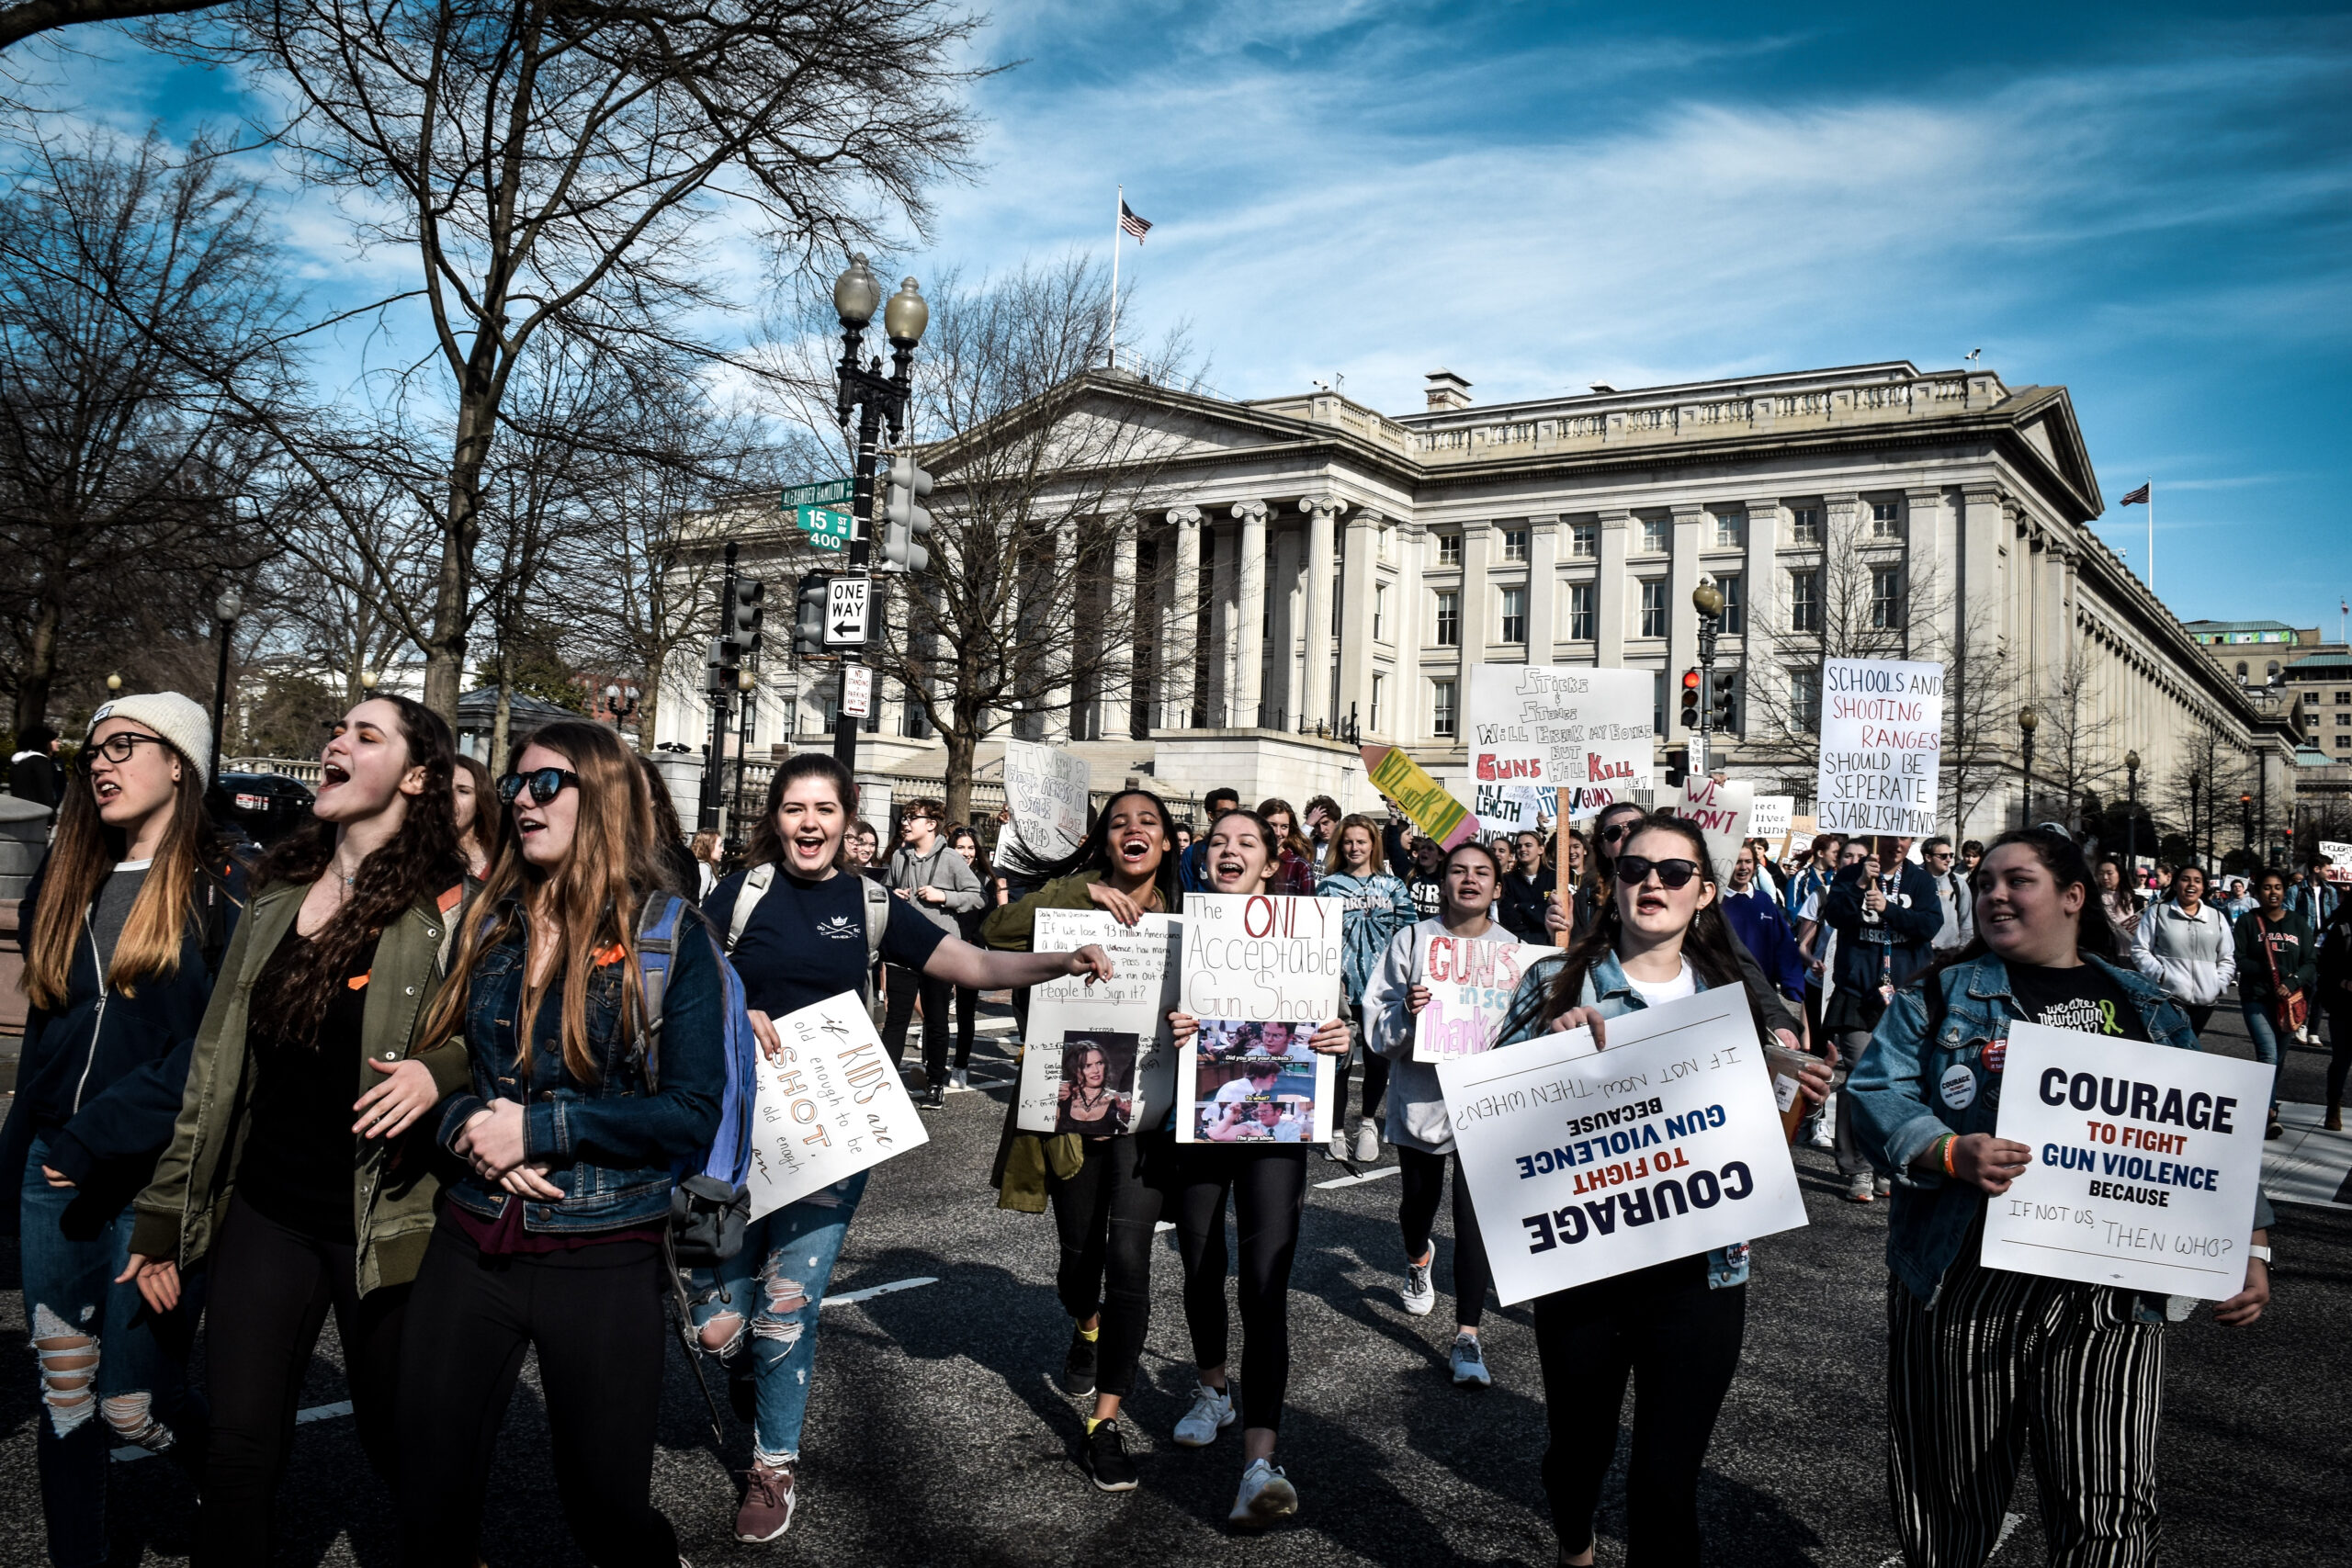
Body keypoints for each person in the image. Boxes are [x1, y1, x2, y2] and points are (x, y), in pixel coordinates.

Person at [703, 754, 1112, 1537]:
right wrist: (732, 1001)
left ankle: (772, 1468)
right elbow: (683, 965)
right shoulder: (743, 892)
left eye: (825, 808)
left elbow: (976, 962)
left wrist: (1061, 962)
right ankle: (749, 1361)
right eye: (795, 809)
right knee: (722, 1319)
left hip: (831, 1135)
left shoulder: (872, 904)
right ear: (777, 818)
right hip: (735, 1130)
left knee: (790, 1301)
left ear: (849, 817)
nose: (810, 824)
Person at [1845, 828, 2273, 1568]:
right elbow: (1876, 1090)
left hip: (2108, 1295)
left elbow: (2209, 1133)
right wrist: (1948, 1149)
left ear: (2074, 897)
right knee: (1948, 1497)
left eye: (2018, 880)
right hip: (1967, 1279)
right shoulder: (1939, 993)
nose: (1994, 894)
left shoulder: (2148, 1008)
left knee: (2108, 1507)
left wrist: (2251, 1242)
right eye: (1984, 884)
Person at [122, 695, 469, 1563]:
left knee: (400, 1445)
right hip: (266, 1212)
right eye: (336, 730)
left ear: (418, 776)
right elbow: (214, 1069)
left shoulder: (453, 908)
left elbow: (509, 1035)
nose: (335, 743)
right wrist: (168, 1213)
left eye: (365, 735)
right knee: (240, 1450)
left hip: (388, 1221)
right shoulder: (275, 895)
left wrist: (443, 1068)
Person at [390, 719, 726, 1565]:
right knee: (427, 1487)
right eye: (515, 784)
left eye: (547, 784)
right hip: (471, 1238)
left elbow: (692, 1111)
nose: (521, 800)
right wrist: (462, 1122)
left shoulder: (670, 936)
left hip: (603, 1252)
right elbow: (432, 1061)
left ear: (602, 797)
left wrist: (540, 1128)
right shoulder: (482, 919)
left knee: (605, 1507)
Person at [1490, 813, 1830, 1568]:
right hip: (1586, 1265)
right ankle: (1573, 1544)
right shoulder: (1554, 981)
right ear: (1610, 885)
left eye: (1674, 873)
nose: (1653, 882)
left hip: (1703, 1272)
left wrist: (1795, 1087)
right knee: (1577, 1455)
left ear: (1703, 892)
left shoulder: (1735, 997)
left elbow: (1769, 1133)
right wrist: (1548, 1053)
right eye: (1635, 868)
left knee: (1667, 1482)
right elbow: (1486, 1120)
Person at [4, 692, 243, 1568]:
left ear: (179, 760)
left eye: (123, 745)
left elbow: (215, 1049)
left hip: (157, 1175)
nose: (100, 762)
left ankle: (234, 1484)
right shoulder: (66, 880)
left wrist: (98, 1131)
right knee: (65, 1392)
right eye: (90, 753)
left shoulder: (226, 888)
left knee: (130, 1404)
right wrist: (20, 1161)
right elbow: (43, 1042)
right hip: (52, 1170)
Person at [981, 788, 1182, 1491]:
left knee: (1130, 1260)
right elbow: (996, 930)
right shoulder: (1070, 897)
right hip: (1077, 1098)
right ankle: (1086, 1323)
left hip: (1149, 1115)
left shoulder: (1191, 916)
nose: (1134, 829)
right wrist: (1078, 894)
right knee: (1077, 1261)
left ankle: (1103, 1423)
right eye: (1120, 821)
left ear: (1166, 843)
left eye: (1148, 822)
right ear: (1105, 841)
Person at [1163, 808, 1351, 1527]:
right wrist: (1173, 1022)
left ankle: (1260, 1462)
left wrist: (1340, 1033)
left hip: (1278, 1137)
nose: (1230, 850)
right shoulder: (1180, 928)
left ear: (1272, 862)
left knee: (1265, 1284)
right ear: (1204, 857)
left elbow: (1330, 1020)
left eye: (1247, 842)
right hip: (1201, 1120)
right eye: (1219, 841)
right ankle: (1213, 1388)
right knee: (1201, 1262)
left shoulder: (1305, 933)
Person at [1363, 840, 1514, 1389]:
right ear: (1442, 882)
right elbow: (1376, 1026)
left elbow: (1530, 1029)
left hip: (1485, 1102)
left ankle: (1468, 1336)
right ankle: (1417, 1256)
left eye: (1482, 873)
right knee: (1417, 1206)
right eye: (1458, 871)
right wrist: (1407, 1010)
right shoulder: (1412, 941)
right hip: (1423, 1099)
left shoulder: (1514, 952)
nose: (1469, 880)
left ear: (1497, 888)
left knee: (1475, 1223)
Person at [1820, 837, 1944, 1201]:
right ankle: (1857, 1168)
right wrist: (1859, 887)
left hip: (1903, 995)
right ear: (1881, 835)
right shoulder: (1851, 875)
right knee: (1860, 1076)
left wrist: (1889, 909)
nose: (1899, 845)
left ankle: (1886, 1162)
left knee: (1895, 1081)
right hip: (1858, 994)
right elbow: (1835, 916)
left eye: (1906, 838)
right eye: (1893, 838)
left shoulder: (1920, 881)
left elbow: (1929, 925)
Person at [1317, 813, 1417, 1165]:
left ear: (1373, 844)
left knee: (1377, 1063)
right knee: (1339, 1063)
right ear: (1339, 846)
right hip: (1340, 991)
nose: (1354, 847)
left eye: (1361, 841)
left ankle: (1367, 1123)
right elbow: (1319, 938)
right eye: (1347, 841)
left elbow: (1410, 937)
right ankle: (1335, 1131)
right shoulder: (1328, 887)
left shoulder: (1394, 887)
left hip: (1383, 991)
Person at [882, 796, 989, 1107]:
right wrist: (892, 894)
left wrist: (944, 895)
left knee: (937, 1019)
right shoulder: (900, 857)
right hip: (902, 947)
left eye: (912, 818)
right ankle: (886, 1083)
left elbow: (978, 897)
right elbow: (884, 890)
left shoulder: (952, 859)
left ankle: (934, 1084)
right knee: (895, 1020)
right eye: (904, 817)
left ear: (931, 825)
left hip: (939, 949)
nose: (905, 823)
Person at [2233, 867, 2314, 1141]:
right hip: (2256, 998)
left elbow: (2311, 962)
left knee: (2277, 1060)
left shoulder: (2298, 923)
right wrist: (2269, 970)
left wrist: (2291, 983)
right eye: (2267, 887)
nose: (2273, 892)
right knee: (2267, 1055)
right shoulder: (2247, 921)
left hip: (2289, 1002)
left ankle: (2264, 1101)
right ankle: (2269, 1115)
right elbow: (2239, 959)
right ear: (2257, 892)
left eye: (2277, 887)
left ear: (2284, 890)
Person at [2130, 863, 2233, 1035]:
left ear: (2203, 887)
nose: (2191, 884)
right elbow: (2139, 948)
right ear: (2176, 884)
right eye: (2185, 880)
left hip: (2205, 1001)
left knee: (2191, 1048)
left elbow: (2227, 957)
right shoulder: (2157, 912)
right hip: (2168, 999)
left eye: (2197, 881)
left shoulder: (2216, 917)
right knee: (2170, 1048)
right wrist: (2161, 975)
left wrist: (2219, 984)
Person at [1720, 841, 1807, 1008]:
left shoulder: (1764, 900)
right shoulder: (1715, 902)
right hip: (1726, 989)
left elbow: (1783, 944)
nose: (1743, 867)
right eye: (1738, 861)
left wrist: (1792, 984)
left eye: (1748, 861)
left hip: (1762, 989)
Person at [944, 823, 993, 1087]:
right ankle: (933, 1064)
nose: (965, 853)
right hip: (941, 949)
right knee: (937, 1012)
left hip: (970, 952)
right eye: (960, 847)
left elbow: (990, 921)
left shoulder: (986, 880)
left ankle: (960, 1065)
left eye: (971, 848)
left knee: (965, 1013)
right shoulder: (940, 875)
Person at [2316, 894, 2352, 1130]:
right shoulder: (2342, 929)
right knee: (2342, 1059)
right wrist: (2342, 982)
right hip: (2345, 1006)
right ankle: (2334, 1105)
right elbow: (2325, 966)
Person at [1496, 828, 1556, 942]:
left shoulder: (1555, 878)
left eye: (1528, 845)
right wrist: (1536, 910)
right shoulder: (1507, 880)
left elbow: (1552, 914)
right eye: (1519, 846)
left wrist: (1520, 906)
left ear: (1540, 849)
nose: (1523, 849)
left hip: (1547, 943)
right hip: (1516, 943)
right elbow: (1507, 917)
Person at [1179, 787, 1241, 892]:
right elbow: (1185, 894)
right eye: (1224, 812)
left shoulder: (1246, 851)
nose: (1230, 817)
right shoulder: (1192, 853)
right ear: (1211, 815)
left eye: (1234, 812)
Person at [1921, 836, 1973, 953]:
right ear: (1928, 857)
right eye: (1944, 856)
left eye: (1951, 855)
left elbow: (1966, 922)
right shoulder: (1914, 882)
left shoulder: (1959, 884)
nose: (1949, 859)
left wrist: (1963, 952)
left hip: (1949, 952)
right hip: (1920, 952)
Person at [1257, 796, 1318, 895]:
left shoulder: (1300, 866)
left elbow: (1309, 908)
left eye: (1284, 827)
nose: (1278, 833)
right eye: (1272, 825)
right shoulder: (1246, 860)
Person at [452, 752, 498, 878]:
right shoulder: (413, 855)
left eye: (463, 791)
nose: (450, 798)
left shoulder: (500, 862)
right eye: (444, 789)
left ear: (480, 803)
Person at [11, 720, 63, 807]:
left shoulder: (17, 761)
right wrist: (52, 814)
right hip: (37, 812)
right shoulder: (40, 761)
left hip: (18, 809)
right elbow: (45, 792)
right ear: (44, 743)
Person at [1404, 827, 1446, 920]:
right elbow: (1395, 851)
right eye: (1422, 847)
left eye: (1430, 849)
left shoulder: (1445, 879)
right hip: (1412, 929)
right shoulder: (1411, 873)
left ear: (1440, 857)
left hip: (1435, 931)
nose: (1424, 851)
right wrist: (1394, 817)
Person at [2097, 855, 2140, 943]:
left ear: (2120, 874)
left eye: (2109, 873)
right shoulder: (2094, 899)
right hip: (2106, 952)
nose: (2105, 877)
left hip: (2131, 952)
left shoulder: (2134, 900)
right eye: (2101, 873)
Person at [1302, 794, 1341, 873]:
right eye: (1316, 825)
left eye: (1325, 823)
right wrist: (1309, 824)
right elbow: (1294, 845)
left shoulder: (1343, 848)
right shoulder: (1310, 845)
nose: (1322, 830)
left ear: (1337, 822)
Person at [689, 830, 724, 899]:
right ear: (709, 846)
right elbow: (697, 899)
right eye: (719, 845)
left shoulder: (703, 866)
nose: (722, 850)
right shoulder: (703, 868)